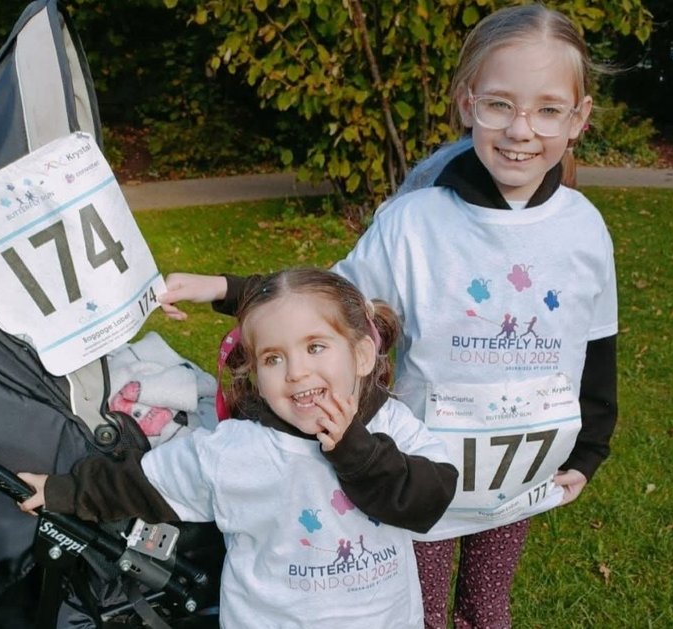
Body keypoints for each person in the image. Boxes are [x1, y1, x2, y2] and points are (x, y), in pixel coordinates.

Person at [158, 4, 618, 627]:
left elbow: (597, 347)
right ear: (467, 104)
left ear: (579, 118)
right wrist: (223, 288)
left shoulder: (586, 229)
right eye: (500, 105)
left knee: (487, 609)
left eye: (547, 109)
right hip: (414, 475)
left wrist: (587, 454)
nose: (521, 130)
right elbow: (323, 303)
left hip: (519, 483)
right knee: (419, 614)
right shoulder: (413, 225)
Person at [18, 268, 458, 628]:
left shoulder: (391, 423)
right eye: (273, 358)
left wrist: (356, 451)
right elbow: (142, 484)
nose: (297, 371)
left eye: (316, 347)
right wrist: (60, 492)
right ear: (254, 372)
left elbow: (427, 499)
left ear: (361, 355)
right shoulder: (234, 451)